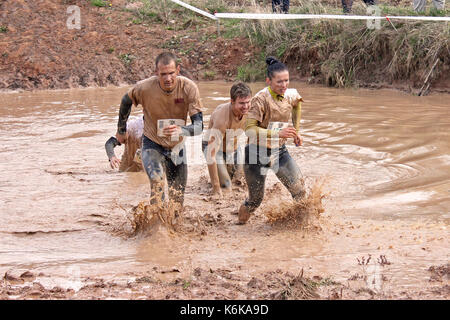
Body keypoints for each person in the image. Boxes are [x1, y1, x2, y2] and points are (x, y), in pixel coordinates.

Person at [116, 52, 204, 210]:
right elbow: (125, 101)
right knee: (157, 182)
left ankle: (172, 230)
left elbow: (199, 126)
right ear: (156, 73)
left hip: (177, 146)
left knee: (177, 197)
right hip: (152, 143)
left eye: (171, 73)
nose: (168, 79)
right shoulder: (145, 88)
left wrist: (182, 130)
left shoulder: (188, 88)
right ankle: (156, 229)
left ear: (178, 70)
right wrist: (121, 130)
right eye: (163, 74)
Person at [237, 57, 306, 225]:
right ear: (268, 80)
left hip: (279, 152)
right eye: (279, 82)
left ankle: (301, 228)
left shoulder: (290, 94)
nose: (284, 85)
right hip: (255, 154)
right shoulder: (260, 99)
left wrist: (295, 130)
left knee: (300, 191)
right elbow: (250, 129)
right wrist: (278, 133)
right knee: (255, 200)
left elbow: (297, 105)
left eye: (286, 80)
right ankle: (239, 226)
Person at [202, 82, 252, 197]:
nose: (245, 106)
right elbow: (211, 154)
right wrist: (216, 188)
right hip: (213, 148)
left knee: (240, 181)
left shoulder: (250, 111)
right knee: (227, 187)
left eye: (248, 102)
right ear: (232, 101)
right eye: (241, 103)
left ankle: (223, 172)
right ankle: (215, 180)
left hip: (232, 146)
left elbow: (252, 137)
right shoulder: (222, 118)